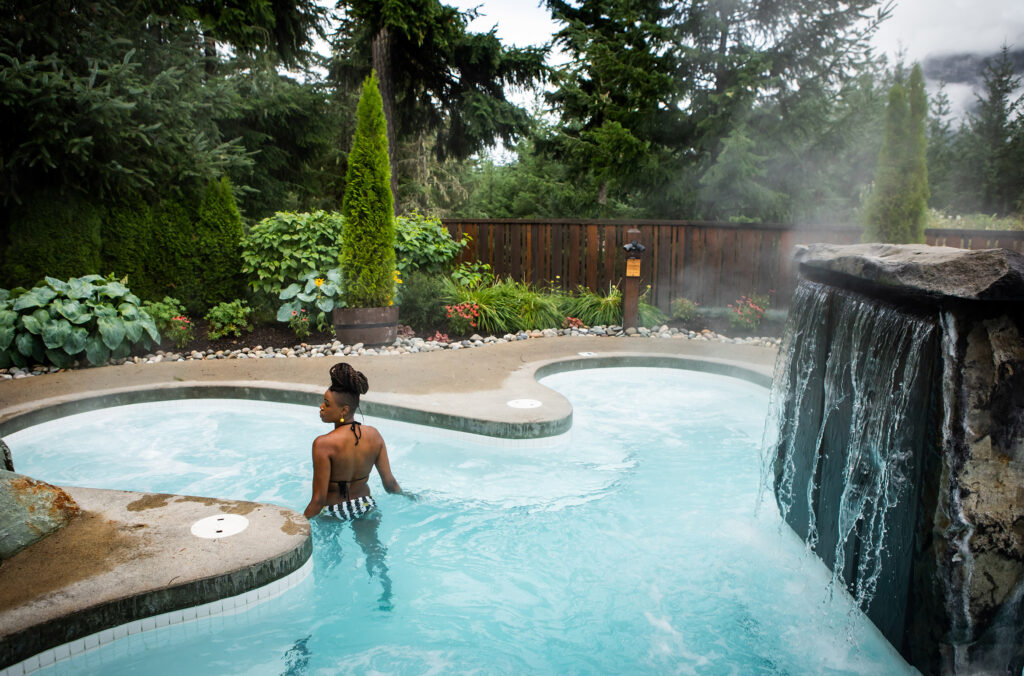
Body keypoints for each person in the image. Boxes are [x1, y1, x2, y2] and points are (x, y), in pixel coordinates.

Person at [303, 362, 405, 520]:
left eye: (327, 404)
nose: (321, 406)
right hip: (365, 505)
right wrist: (408, 496)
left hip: (333, 511)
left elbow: (318, 500)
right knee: (373, 546)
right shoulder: (374, 435)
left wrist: (298, 527)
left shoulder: (323, 444)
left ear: (344, 410)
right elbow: (390, 483)